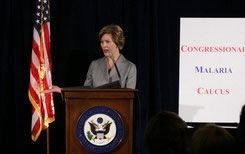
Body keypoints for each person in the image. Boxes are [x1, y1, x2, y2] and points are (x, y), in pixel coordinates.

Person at [46, 24, 137, 93]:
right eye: (102, 42)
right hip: (96, 113)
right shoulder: (95, 65)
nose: (103, 45)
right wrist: (61, 90)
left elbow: (129, 98)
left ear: (117, 43)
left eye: (107, 42)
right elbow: (86, 91)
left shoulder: (129, 67)